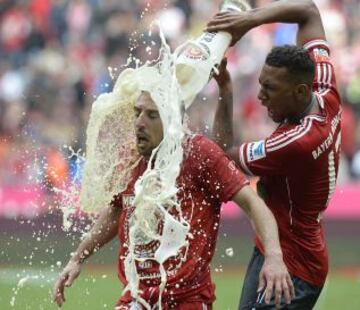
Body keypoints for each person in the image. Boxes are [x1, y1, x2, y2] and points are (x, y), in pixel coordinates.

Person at [53, 89, 294, 309]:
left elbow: (253, 204)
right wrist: (77, 258)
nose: (139, 123)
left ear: (172, 122)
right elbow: (117, 209)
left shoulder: (199, 154)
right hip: (136, 298)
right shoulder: (131, 159)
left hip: (186, 299)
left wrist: (274, 256)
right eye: (137, 113)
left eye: (151, 115)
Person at [207, 0, 342, 309]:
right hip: (280, 249)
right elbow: (308, 10)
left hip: (294, 267)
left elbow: (222, 155)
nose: (260, 95)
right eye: (261, 84)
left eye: (270, 87)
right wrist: (249, 20)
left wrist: (225, 93)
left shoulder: (298, 141)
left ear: (299, 93)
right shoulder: (323, 86)